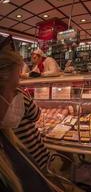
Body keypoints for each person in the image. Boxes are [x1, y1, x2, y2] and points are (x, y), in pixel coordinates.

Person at [0, 36, 58, 192]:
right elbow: (36, 115)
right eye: (13, 89)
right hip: (39, 156)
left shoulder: (7, 140)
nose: (16, 94)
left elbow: (52, 74)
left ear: (40, 56)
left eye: (34, 56)